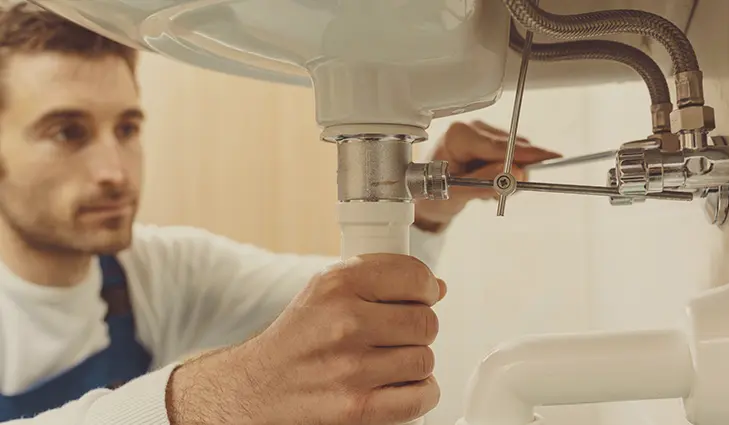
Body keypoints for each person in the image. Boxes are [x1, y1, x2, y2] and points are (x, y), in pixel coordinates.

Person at [0, 3, 560, 425]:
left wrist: (427, 210)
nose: (115, 171)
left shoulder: (151, 272)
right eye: (67, 132)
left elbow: (345, 301)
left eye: (126, 129)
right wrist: (217, 395)